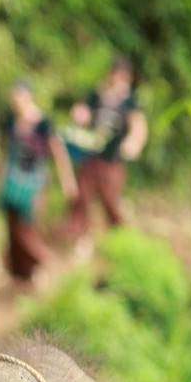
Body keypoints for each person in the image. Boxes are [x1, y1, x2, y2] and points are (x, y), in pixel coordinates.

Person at [0, 81, 78, 282]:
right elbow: (5, 152)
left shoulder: (43, 124)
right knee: (12, 228)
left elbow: (58, 152)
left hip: (34, 182)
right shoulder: (10, 122)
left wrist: (67, 180)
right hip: (13, 180)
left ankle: (42, 265)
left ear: (28, 96)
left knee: (28, 227)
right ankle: (19, 274)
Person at [66, 56, 148, 245]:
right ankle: (79, 237)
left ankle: (118, 236)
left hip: (112, 159)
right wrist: (80, 114)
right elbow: (84, 111)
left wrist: (134, 143)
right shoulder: (97, 94)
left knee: (110, 199)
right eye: (115, 75)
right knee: (82, 197)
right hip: (90, 155)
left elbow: (138, 124)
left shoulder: (130, 101)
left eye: (122, 76)